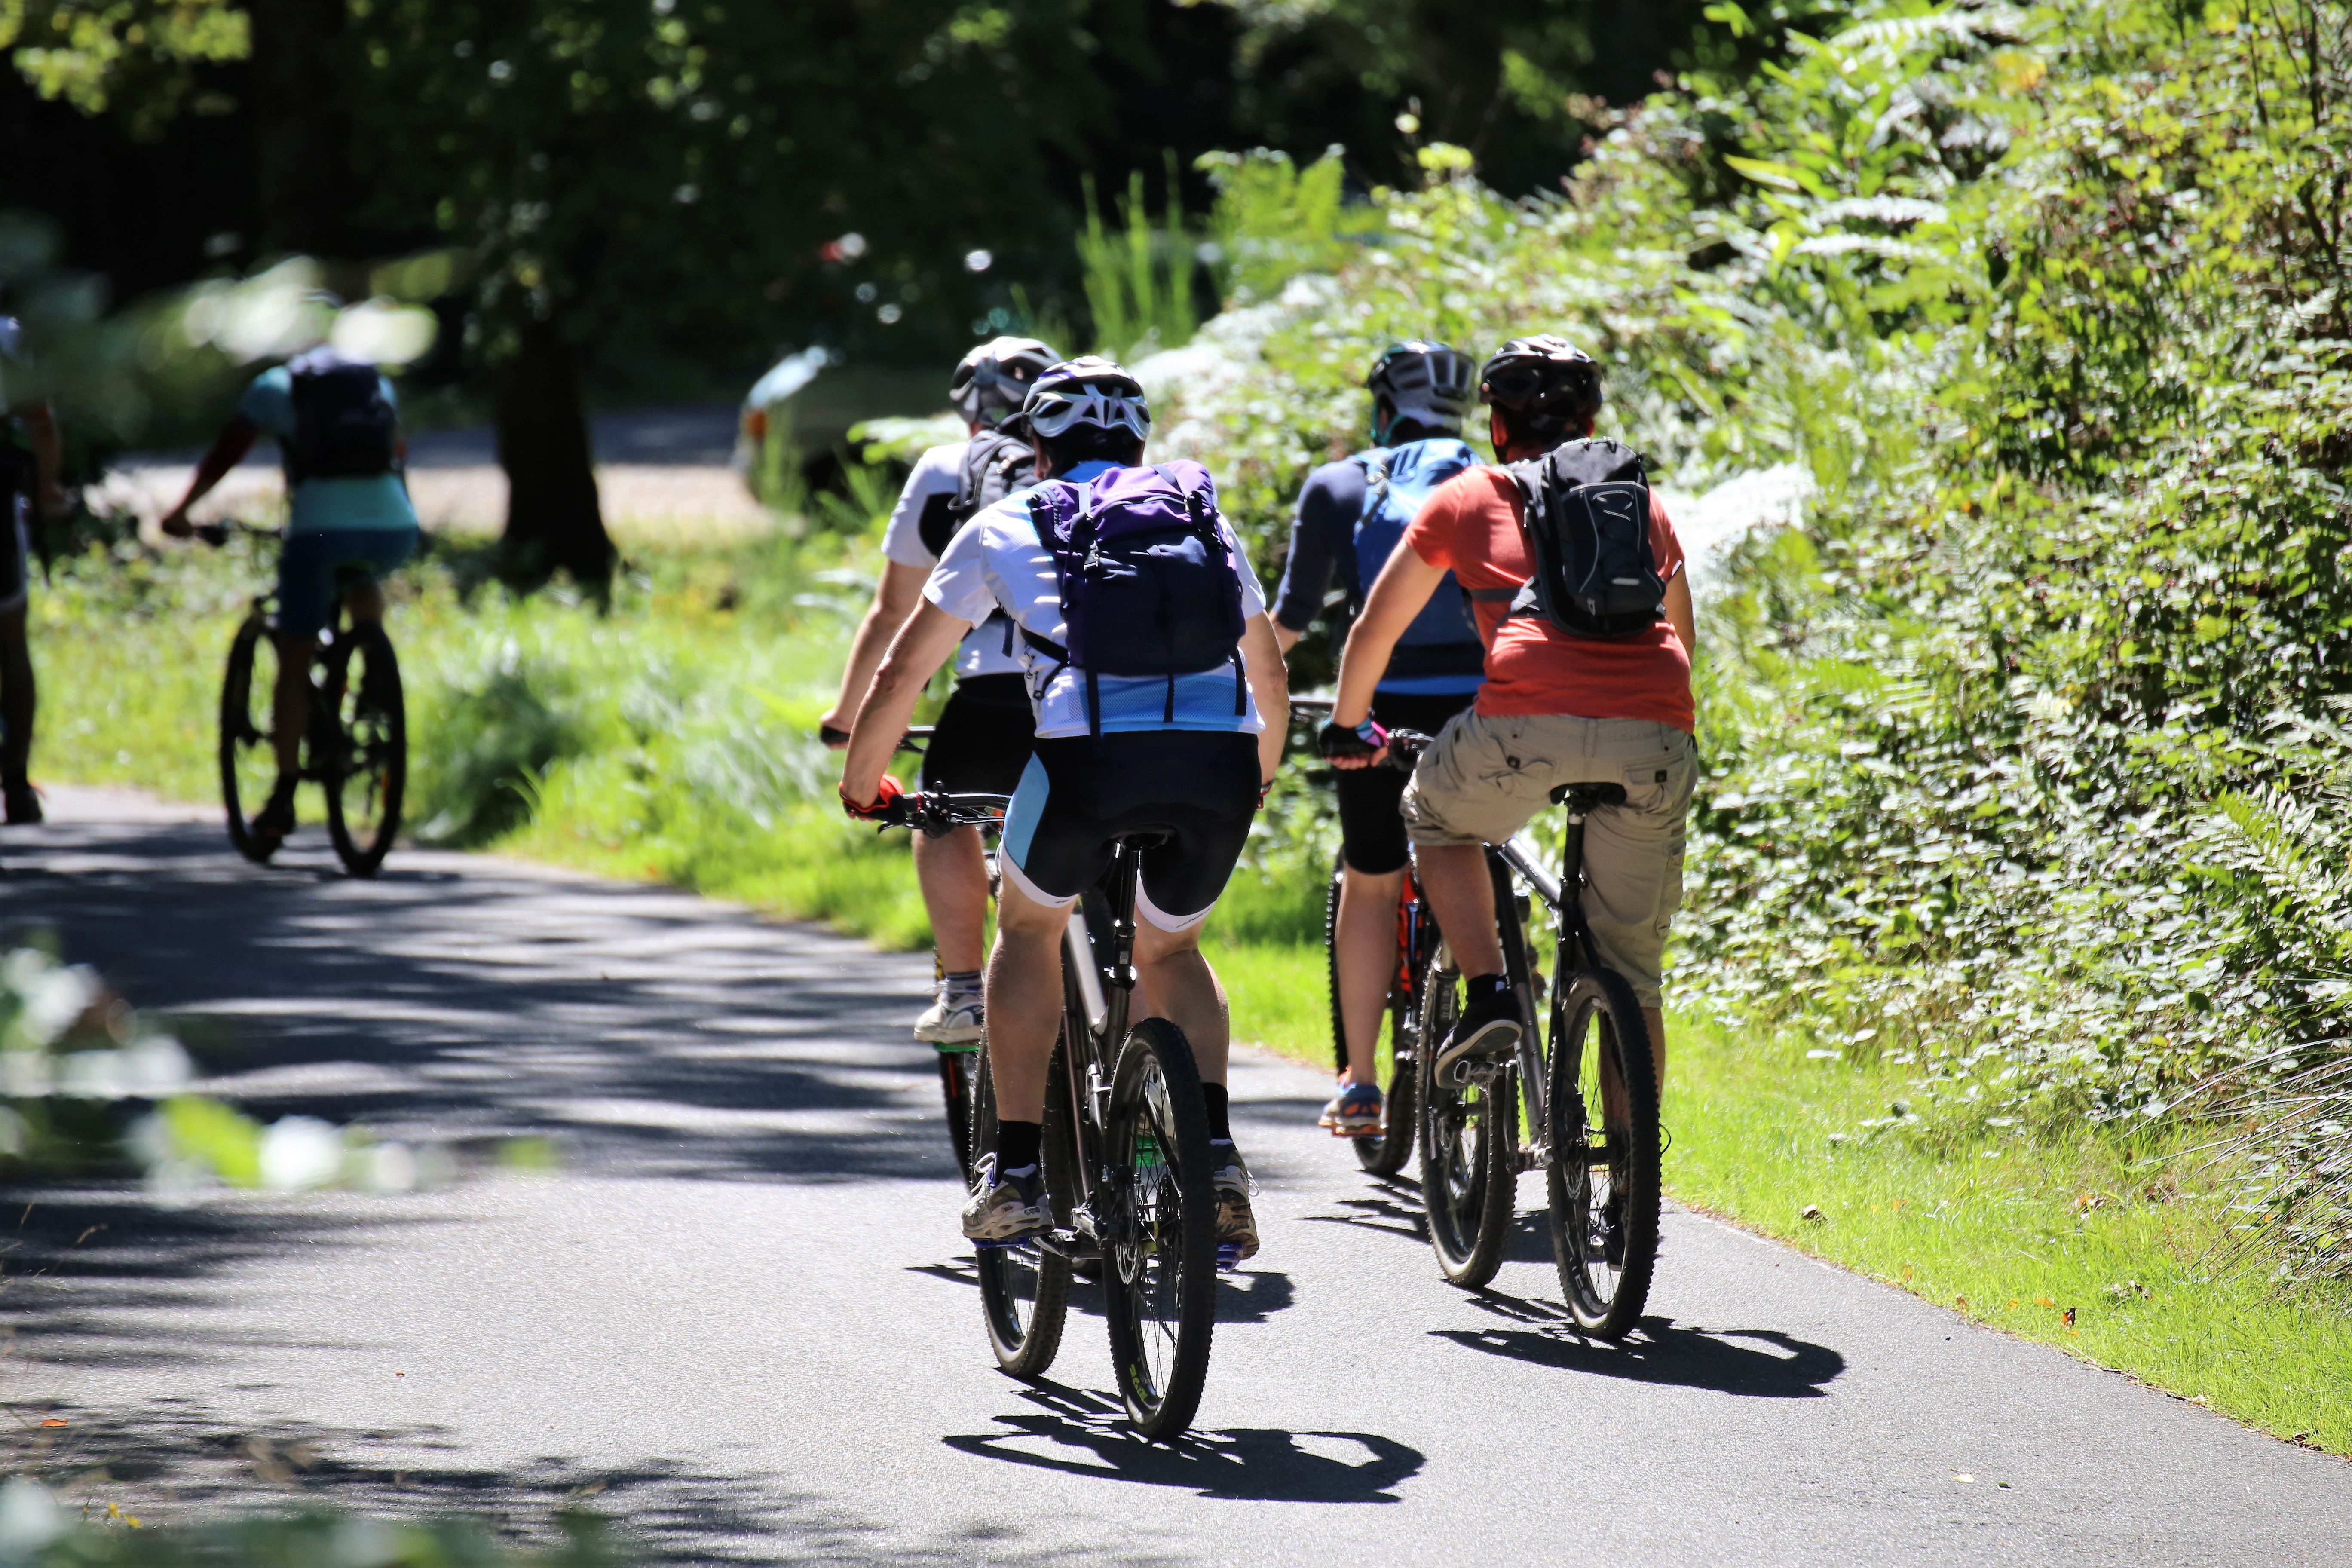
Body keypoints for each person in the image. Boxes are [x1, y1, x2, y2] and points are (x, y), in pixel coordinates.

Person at [836, 357, 1289, 1260]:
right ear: (1139, 443)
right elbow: (1268, 671)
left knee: (1031, 929)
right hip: (1219, 761)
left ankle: (1015, 1171)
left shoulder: (1005, 519)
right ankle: (1217, 1156)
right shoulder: (1199, 513)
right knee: (1174, 949)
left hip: (1087, 762)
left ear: (1036, 447)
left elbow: (904, 670)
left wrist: (863, 783)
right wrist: (1259, 777)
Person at [1320, 334, 1698, 1106]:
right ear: (1591, 422)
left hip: (1523, 719)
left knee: (1435, 816)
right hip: (1655, 726)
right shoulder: (1641, 504)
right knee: (1634, 976)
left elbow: (1374, 631)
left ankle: (1490, 989)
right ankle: (1631, 1185)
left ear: (1495, 424)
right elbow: (1682, 640)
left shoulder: (1466, 497)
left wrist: (1348, 726)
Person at [820, 337, 1060, 1048]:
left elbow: (893, 610)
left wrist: (847, 715)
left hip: (991, 694)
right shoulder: (1093, 473)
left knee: (941, 811)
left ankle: (961, 988)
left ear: (966, 411)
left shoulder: (947, 470)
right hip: (1098, 690)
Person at [1269, 340, 1481, 1136]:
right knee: (1483, 849)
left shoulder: (1341, 483)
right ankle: (1509, 986)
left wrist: (1229, 682)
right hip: (1488, 705)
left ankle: (1360, 1078)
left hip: (1380, 712)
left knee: (1371, 878)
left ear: (1382, 405)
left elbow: (1290, 620)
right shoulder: (1494, 482)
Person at [159, 345, 420, 854]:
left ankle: (282, 798)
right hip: (395, 527)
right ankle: (372, 678)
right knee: (362, 578)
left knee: (294, 653)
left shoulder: (275, 387)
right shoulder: (373, 385)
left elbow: (227, 454)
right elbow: (399, 451)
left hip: (319, 530)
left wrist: (182, 510)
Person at [0, 318, 67, 826]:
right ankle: (17, 783)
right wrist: (47, 490)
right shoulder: (7, 335)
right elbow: (41, 423)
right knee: (12, 644)